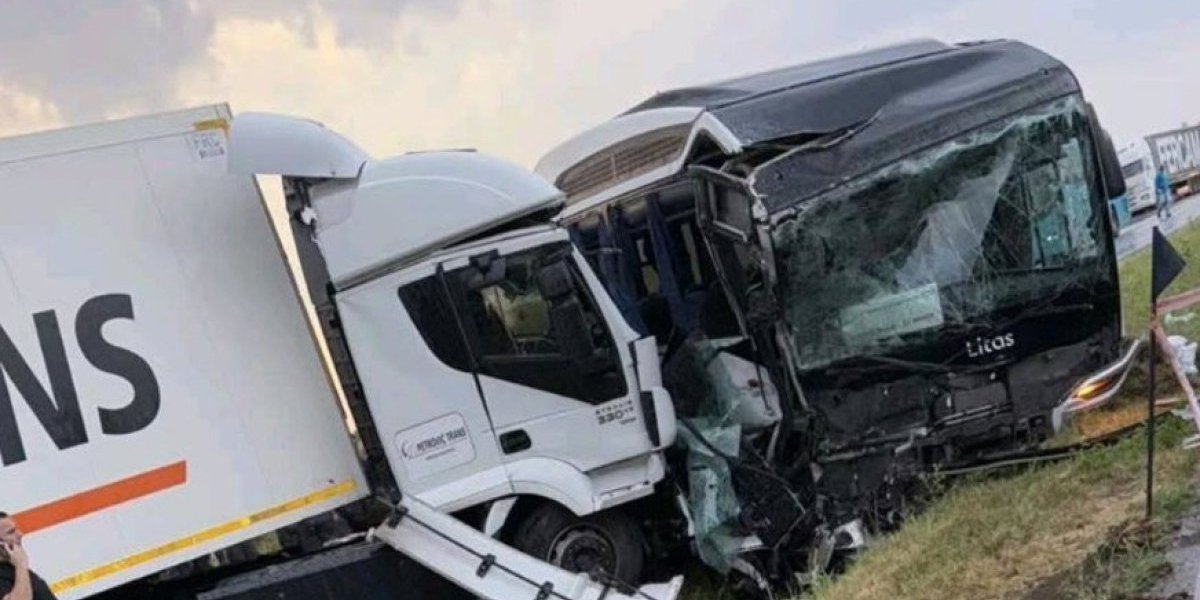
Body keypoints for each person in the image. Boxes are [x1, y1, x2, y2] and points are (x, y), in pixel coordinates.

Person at [0, 513, 57, 600]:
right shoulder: (17, 567)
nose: (20, 534)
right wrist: (21, 564)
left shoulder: (13, 566)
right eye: (11, 532)